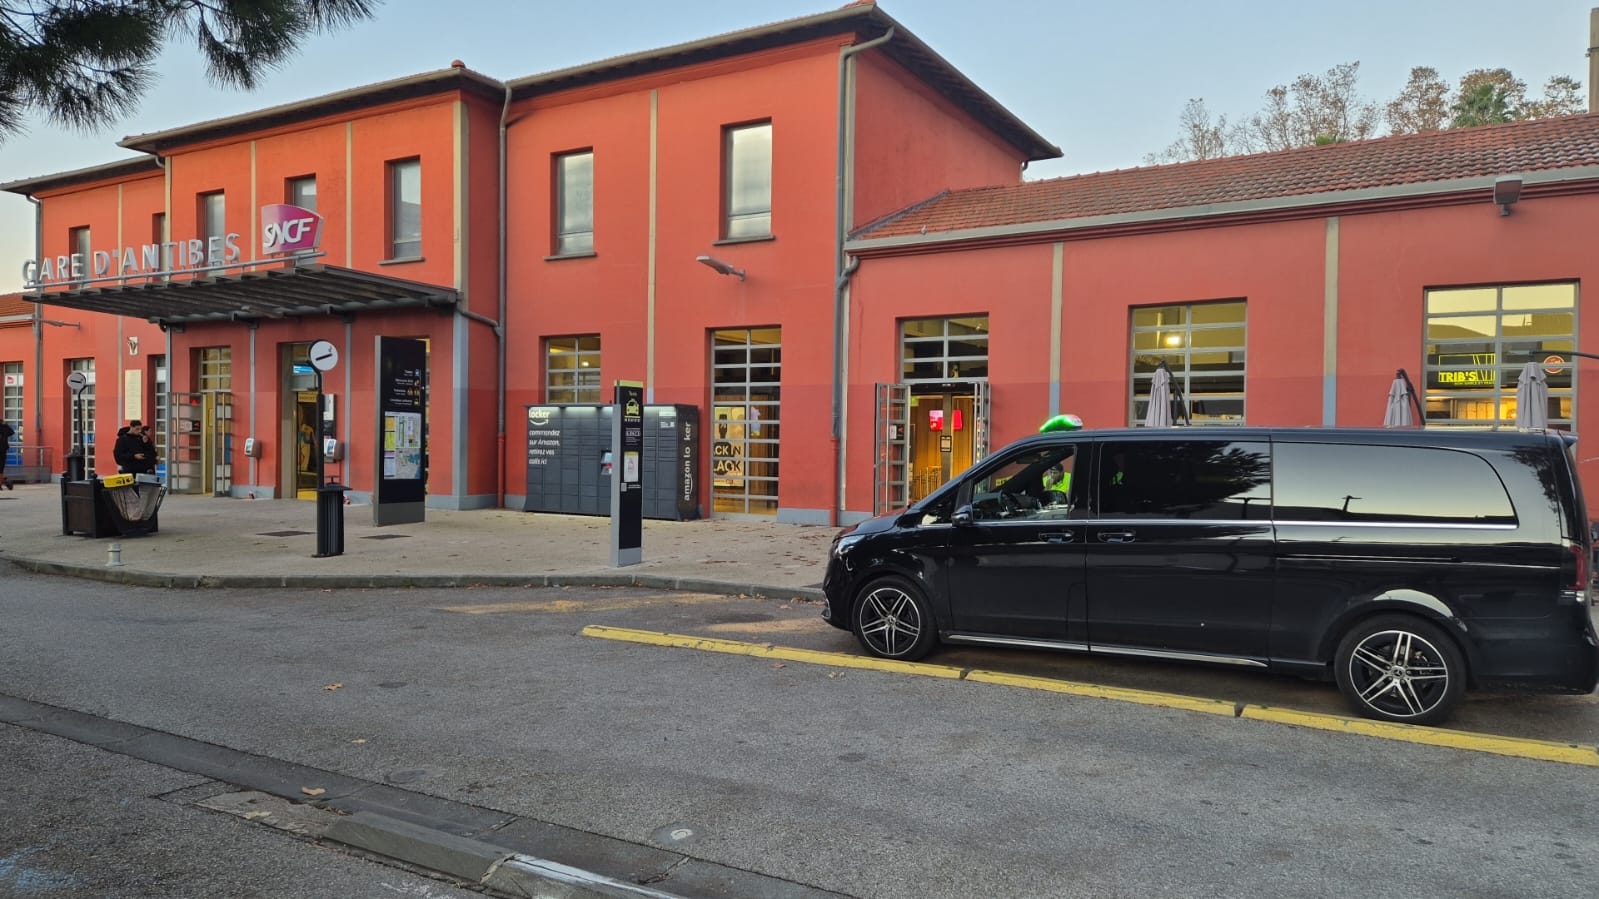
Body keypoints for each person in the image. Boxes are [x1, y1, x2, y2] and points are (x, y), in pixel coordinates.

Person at [0, 419, 14, 489]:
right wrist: (6, 425)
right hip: (3, 450)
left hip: (2, 450)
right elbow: (12, 432)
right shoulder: (5, 428)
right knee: (1, 468)